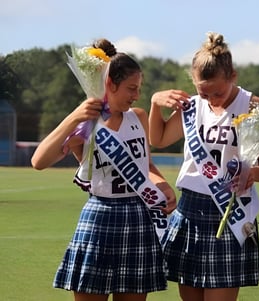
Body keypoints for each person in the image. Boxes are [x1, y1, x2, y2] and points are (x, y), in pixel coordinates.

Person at [31, 38, 176, 301]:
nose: (136, 95)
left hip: (138, 217)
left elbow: (147, 165)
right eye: (131, 88)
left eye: (138, 88)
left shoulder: (139, 117)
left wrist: (162, 184)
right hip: (99, 217)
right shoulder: (85, 126)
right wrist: (75, 116)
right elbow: (38, 161)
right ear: (110, 84)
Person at [148, 32, 259, 301]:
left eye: (217, 91)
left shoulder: (254, 107)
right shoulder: (193, 107)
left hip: (230, 211)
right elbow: (157, 139)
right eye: (202, 91)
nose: (211, 99)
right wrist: (154, 104)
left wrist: (251, 174)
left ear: (233, 76)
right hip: (190, 210)